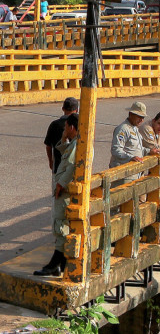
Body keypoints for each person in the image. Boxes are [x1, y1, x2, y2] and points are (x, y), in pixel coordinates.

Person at [34, 113, 79, 276]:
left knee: (60, 227)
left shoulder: (77, 146)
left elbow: (72, 167)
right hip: (64, 189)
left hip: (65, 190)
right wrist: (64, 137)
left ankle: (56, 264)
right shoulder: (73, 143)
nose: (64, 129)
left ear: (72, 127)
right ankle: (59, 264)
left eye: (66, 127)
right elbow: (63, 152)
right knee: (61, 227)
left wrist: (60, 184)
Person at [110, 102, 160, 185]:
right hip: (124, 174)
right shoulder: (123, 129)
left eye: (143, 117)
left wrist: (149, 151)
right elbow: (116, 150)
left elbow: (137, 149)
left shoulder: (135, 129)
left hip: (136, 173)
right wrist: (130, 158)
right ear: (131, 114)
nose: (141, 120)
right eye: (139, 117)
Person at [44, 97, 79, 174]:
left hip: (58, 166)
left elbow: (48, 146)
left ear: (63, 109)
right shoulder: (81, 125)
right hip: (75, 168)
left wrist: (51, 161)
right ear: (76, 110)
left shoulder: (54, 125)